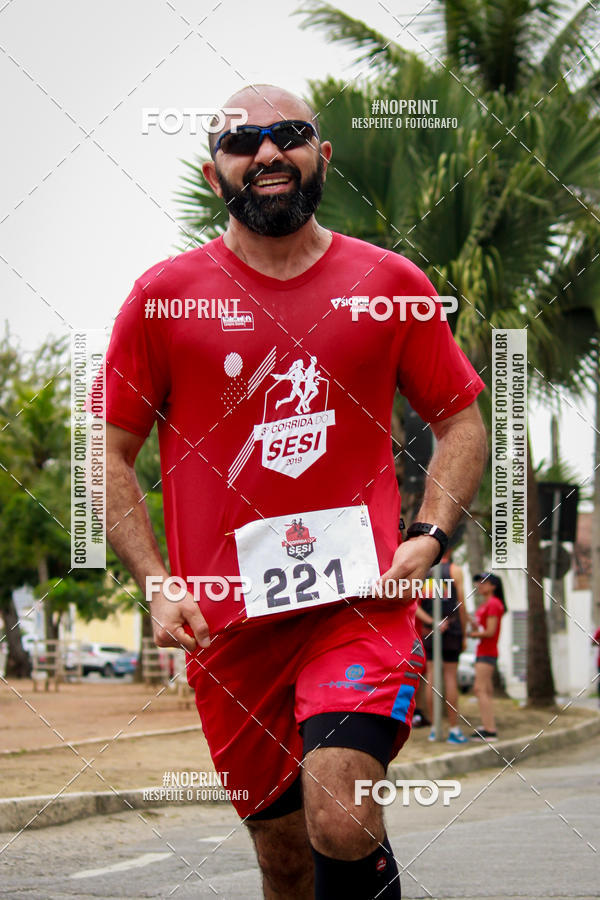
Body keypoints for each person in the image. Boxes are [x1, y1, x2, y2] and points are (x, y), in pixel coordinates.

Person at [104, 84, 487, 900]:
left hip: (361, 606)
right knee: (285, 861)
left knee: (341, 816)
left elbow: (462, 422)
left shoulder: (390, 282)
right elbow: (106, 449)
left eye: (289, 134)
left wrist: (430, 536)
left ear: (322, 156)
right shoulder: (164, 296)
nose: (268, 152)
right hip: (230, 629)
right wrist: (154, 578)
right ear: (216, 176)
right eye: (243, 142)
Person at [415, 552, 468, 743]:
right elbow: (461, 604)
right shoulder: (455, 570)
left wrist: (432, 621)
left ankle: (435, 728)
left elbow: (413, 605)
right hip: (451, 628)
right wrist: (464, 631)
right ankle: (454, 729)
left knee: (431, 677)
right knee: (450, 677)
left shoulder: (423, 572)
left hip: (431, 630)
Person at [468, 573, 506, 740]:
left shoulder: (493, 604)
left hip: (487, 652)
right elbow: (484, 627)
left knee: (479, 689)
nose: (479, 585)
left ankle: (489, 730)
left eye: (484, 582)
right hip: (483, 651)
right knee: (486, 691)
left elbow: (490, 632)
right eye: (478, 582)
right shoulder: (486, 605)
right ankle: (488, 726)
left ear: (493, 586)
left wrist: (473, 635)